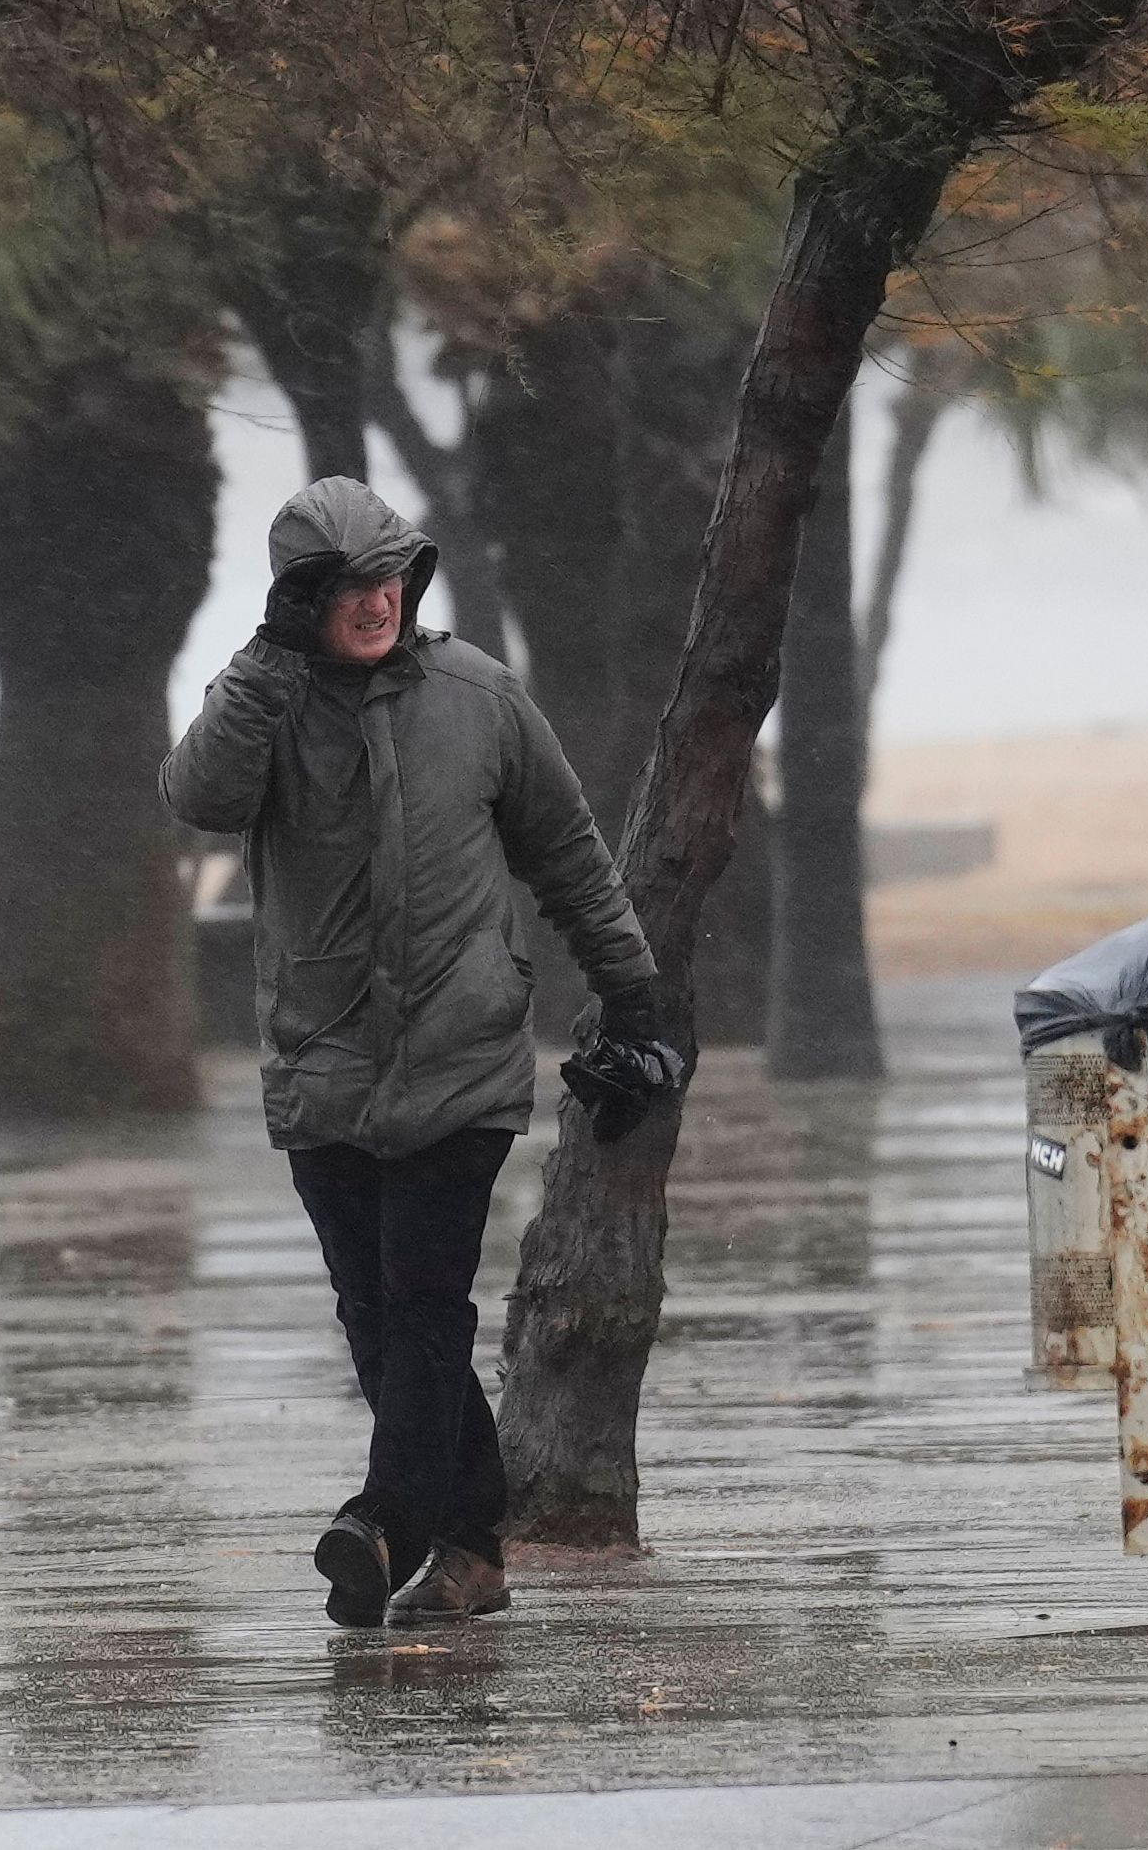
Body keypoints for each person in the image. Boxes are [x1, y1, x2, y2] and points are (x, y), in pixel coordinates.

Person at [162, 477, 678, 1626]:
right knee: (369, 1313)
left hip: (464, 1054)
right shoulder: (264, 703)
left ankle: (385, 1520)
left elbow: (570, 853)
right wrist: (267, 658)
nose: (376, 601)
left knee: (426, 1301)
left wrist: (631, 995)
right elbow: (195, 796)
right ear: (300, 600)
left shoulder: (480, 695)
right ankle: (474, 1540)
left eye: (390, 576)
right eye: (345, 586)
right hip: (322, 1061)